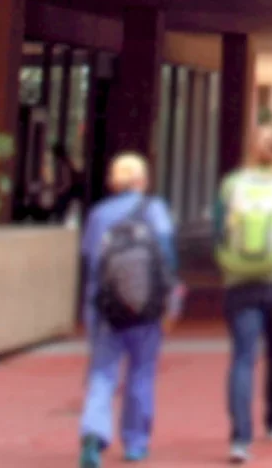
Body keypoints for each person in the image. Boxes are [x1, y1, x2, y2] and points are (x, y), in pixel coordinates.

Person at [78, 153, 182, 466]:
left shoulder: (99, 215)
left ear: (113, 182)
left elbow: (92, 265)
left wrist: (90, 310)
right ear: (142, 180)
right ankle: (135, 443)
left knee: (103, 373)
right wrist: (171, 301)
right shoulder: (156, 210)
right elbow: (168, 258)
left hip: (107, 308)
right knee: (141, 372)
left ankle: (94, 433)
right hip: (147, 308)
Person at [214, 125, 272, 464]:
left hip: (239, 283)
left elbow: (217, 231)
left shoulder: (231, 185)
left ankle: (240, 438)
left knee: (242, 357)